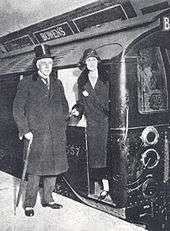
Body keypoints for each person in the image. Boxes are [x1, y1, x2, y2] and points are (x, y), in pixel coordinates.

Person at [13, 44, 69, 217]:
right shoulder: (26, 83)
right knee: (35, 171)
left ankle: (48, 199)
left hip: (55, 135)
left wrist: (64, 122)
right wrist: (25, 130)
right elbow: (17, 109)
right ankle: (29, 204)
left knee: (53, 169)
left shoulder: (58, 83)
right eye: (43, 63)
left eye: (49, 63)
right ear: (37, 65)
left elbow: (64, 106)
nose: (47, 66)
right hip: (36, 136)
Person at [72, 48, 110, 200]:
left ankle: (110, 186)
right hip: (93, 125)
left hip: (109, 122)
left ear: (98, 61)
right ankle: (104, 187)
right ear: (85, 63)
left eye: (94, 60)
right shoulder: (82, 82)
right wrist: (76, 111)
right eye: (88, 60)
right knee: (97, 158)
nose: (91, 63)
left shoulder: (107, 76)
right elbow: (81, 103)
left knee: (110, 156)